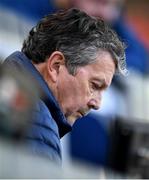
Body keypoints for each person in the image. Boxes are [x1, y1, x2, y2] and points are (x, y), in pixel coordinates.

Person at [3, 8, 127, 164]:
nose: (97, 104)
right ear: (56, 66)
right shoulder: (38, 127)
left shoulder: (12, 97)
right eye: (95, 86)